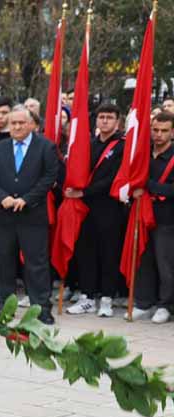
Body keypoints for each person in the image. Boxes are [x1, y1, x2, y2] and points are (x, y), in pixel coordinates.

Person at [0, 106, 59, 325]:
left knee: (36, 264)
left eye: (21, 123)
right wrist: (3, 198)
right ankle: (4, 307)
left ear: (31, 124)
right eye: (13, 123)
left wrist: (26, 198)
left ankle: (41, 308)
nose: (16, 127)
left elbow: (49, 177)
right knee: (3, 263)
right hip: (3, 216)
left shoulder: (46, 147)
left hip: (32, 215)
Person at [66, 103, 126, 317]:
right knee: (86, 252)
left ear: (117, 121)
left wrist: (84, 192)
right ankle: (87, 296)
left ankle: (107, 298)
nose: (105, 121)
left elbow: (114, 178)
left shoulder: (122, 146)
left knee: (109, 253)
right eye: (101, 117)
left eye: (110, 117)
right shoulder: (89, 144)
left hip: (109, 207)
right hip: (86, 208)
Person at [146, 112, 174, 323]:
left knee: (165, 263)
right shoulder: (143, 153)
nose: (158, 135)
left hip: (167, 218)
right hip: (142, 215)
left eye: (164, 131)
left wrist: (148, 186)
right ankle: (144, 300)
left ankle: (165, 304)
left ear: (172, 132)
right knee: (143, 260)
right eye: (155, 130)